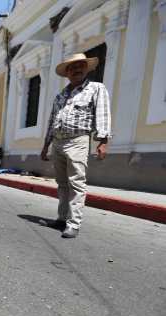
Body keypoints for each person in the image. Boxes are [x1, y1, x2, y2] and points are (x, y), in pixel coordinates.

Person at [40, 53, 111, 238]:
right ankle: (62, 219)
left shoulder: (96, 88)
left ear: (86, 68)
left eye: (80, 65)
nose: (76, 69)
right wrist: (46, 144)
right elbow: (52, 120)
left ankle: (74, 224)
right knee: (62, 183)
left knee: (76, 183)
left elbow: (103, 114)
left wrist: (103, 141)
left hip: (77, 141)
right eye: (71, 67)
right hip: (57, 142)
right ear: (67, 73)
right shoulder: (61, 95)